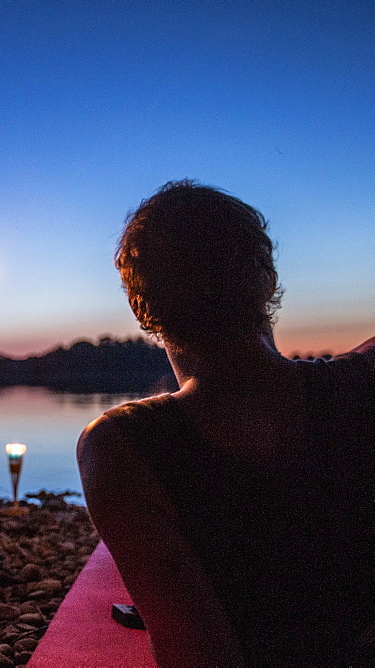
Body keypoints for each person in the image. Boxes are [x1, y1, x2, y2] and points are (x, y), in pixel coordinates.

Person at [77, 181, 375, 666]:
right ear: (266, 277)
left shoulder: (121, 447)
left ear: (139, 304)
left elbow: (197, 654)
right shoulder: (364, 384)